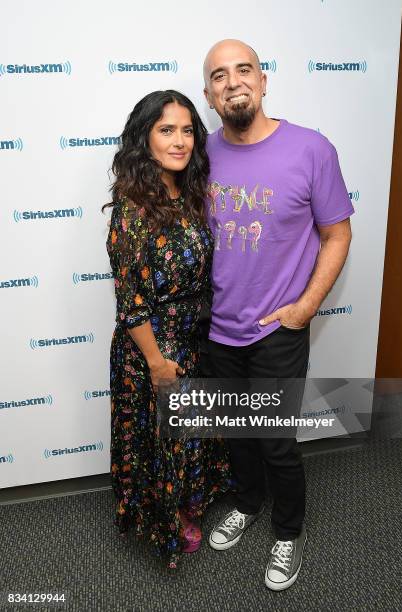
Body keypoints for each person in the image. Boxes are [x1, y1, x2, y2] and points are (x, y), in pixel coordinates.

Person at [201, 40, 354, 590]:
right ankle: (247, 501)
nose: (233, 81)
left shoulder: (311, 149)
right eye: (220, 75)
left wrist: (304, 308)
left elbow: (337, 233)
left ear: (263, 82)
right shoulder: (201, 156)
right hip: (217, 329)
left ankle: (288, 532)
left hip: (277, 330)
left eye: (244, 70)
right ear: (209, 95)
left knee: (275, 441)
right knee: (237, 435)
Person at [105, 90, 230, 569]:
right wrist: (157, 364)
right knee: (160, 441)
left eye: (187, 130)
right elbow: (131, 303)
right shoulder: (133, 208)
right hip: (152, 352)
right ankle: (164, 518)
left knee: (187, 436)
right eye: (166, 130)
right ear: (145, 138)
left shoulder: (191, 191)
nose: (179, 141)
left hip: (192, 338)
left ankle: (187, 497)